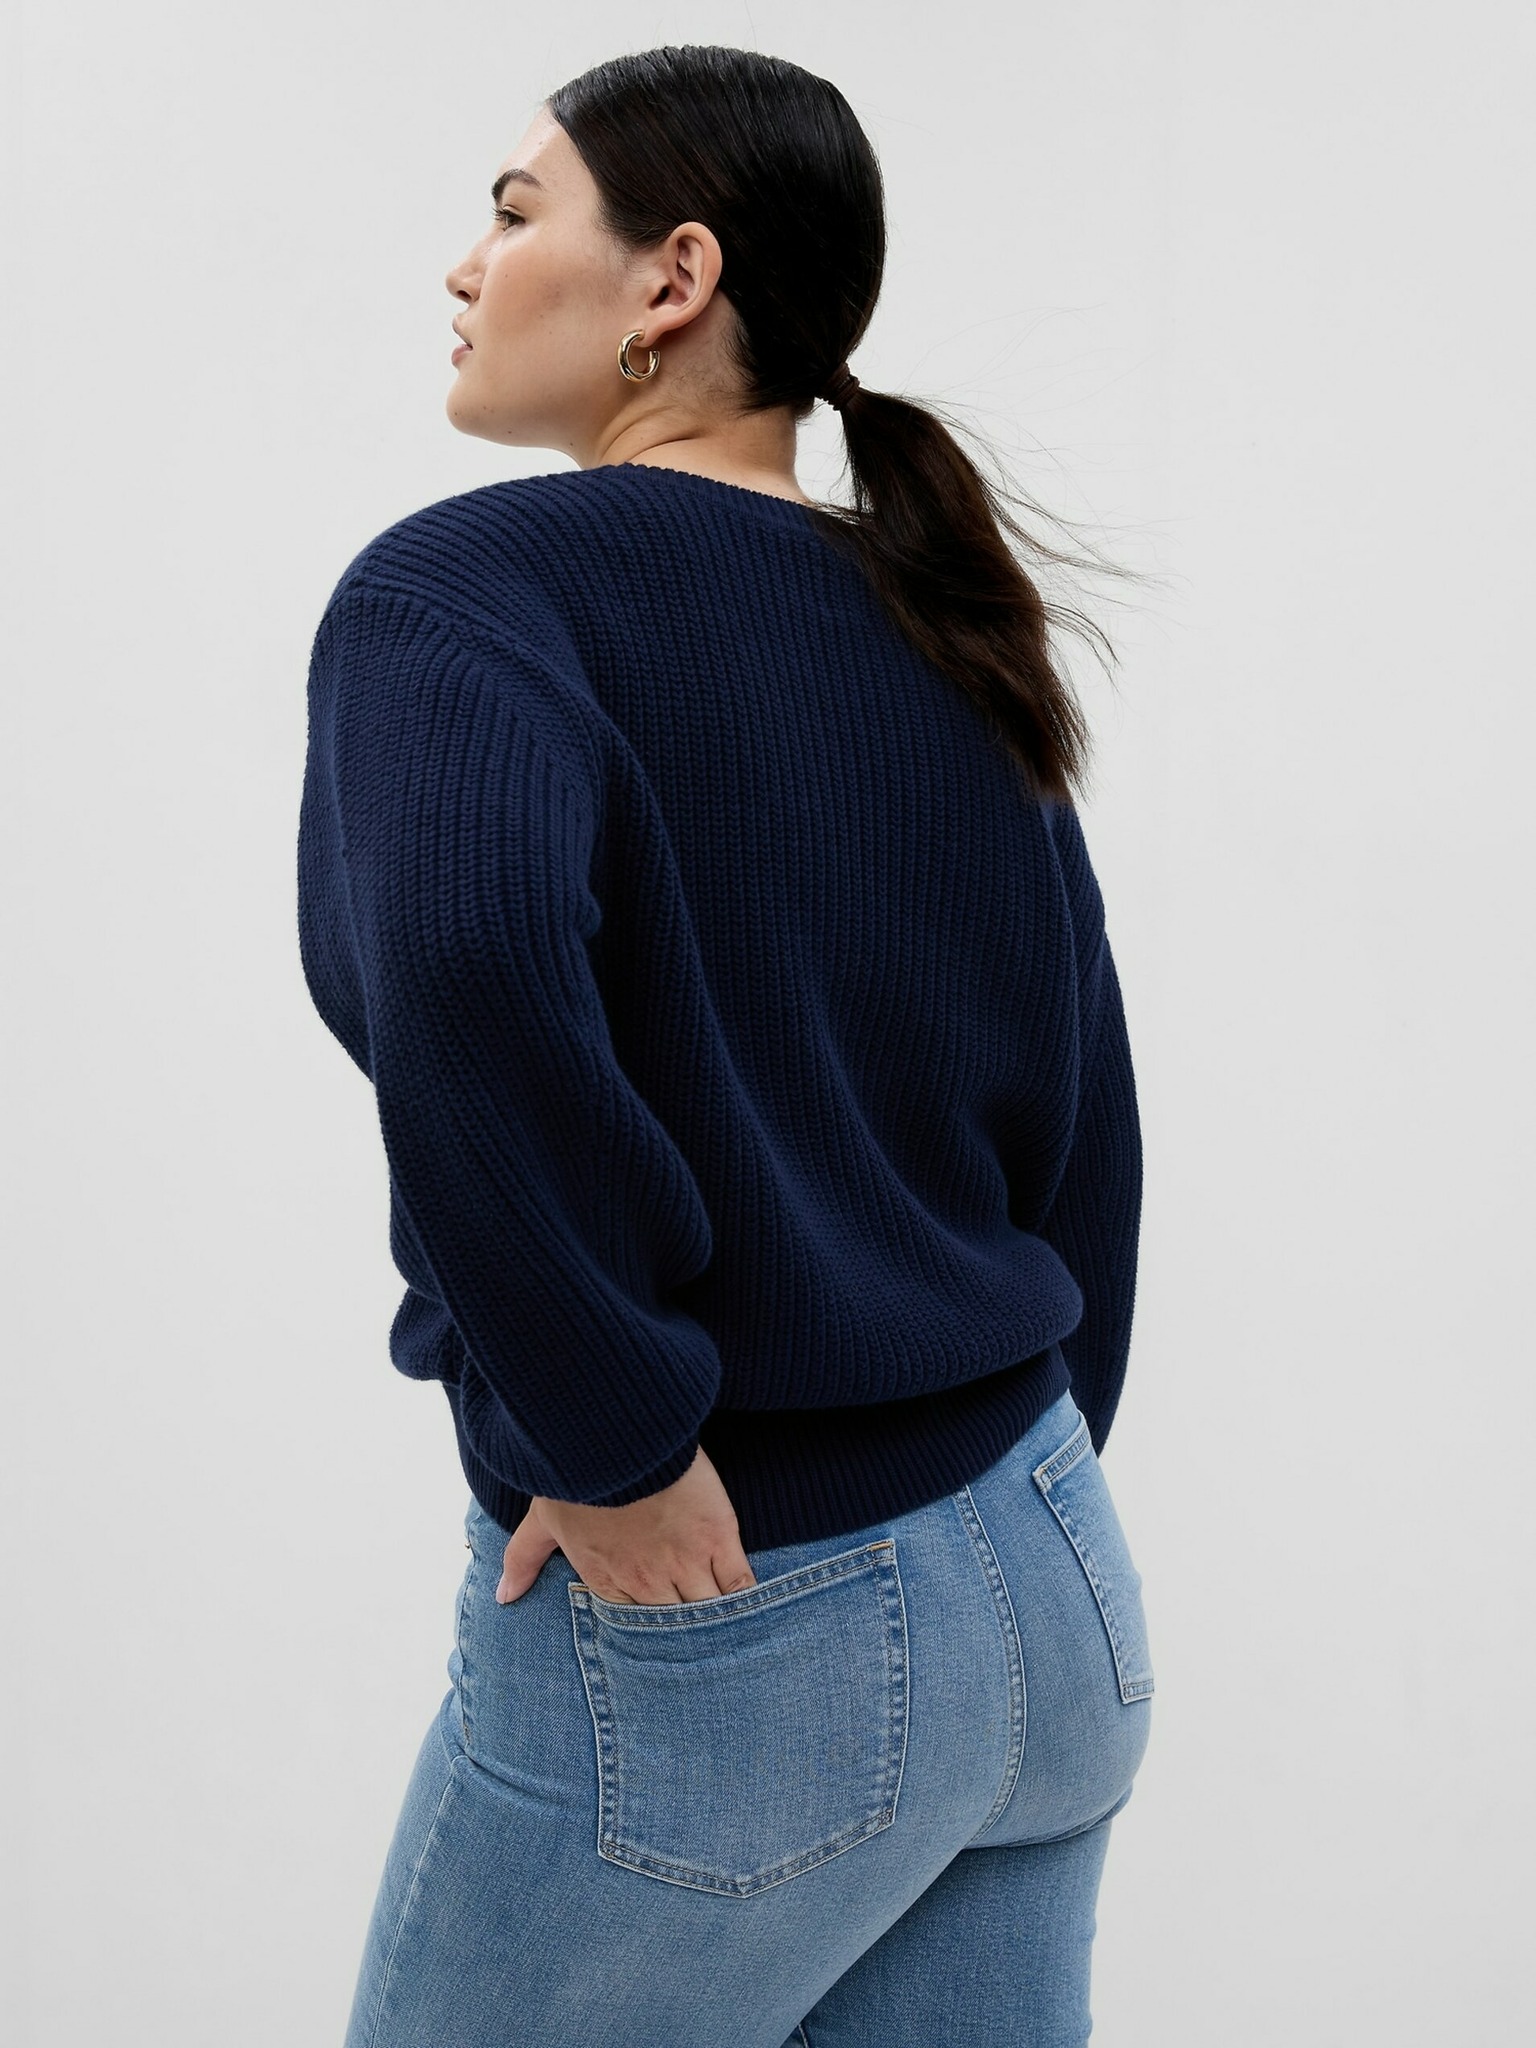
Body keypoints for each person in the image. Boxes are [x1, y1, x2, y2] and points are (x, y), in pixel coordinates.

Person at [296, 43, 1153, 2048]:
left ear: (673, 280)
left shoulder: (463, 594)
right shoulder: (943, 626)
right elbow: (1086, 1107)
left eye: (515, 212)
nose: (467, 266)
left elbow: (464, 970)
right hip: (1049, 1576)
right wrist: (1002, 1460)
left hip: (734, 1609)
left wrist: (608, 1436)